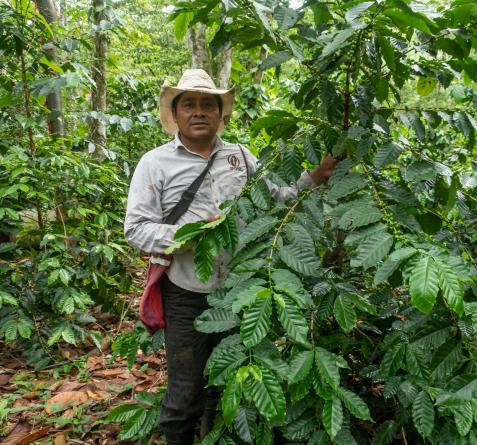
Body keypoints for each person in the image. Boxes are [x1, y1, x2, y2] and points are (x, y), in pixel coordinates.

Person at [124, 69, 336, 445]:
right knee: (185, 391)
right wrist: (189, 236)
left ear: (221, 114)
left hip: (241, 292)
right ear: (176, 114)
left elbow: (275, 199)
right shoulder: (154, 163)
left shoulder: (240, 156)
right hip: (186, 292)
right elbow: (136, 229)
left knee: (225, 380)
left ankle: (214, 436)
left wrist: (313, 177)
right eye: (189, 104)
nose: (200, 111)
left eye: (209, 104)